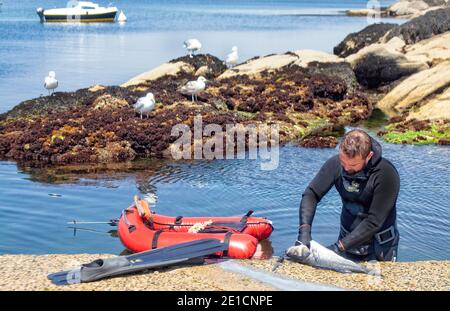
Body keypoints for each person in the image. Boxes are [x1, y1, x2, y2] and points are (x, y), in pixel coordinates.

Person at [297, 129, 400, 261]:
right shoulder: (336, 164)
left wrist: (337, 248)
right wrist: (304, 231)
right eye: (343, 162)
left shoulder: (386, 173)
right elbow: (311, 194)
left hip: (380, 246)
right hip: (346, 239)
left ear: (368, 156)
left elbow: (374, 221)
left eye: (353, 165)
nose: (346, 168)